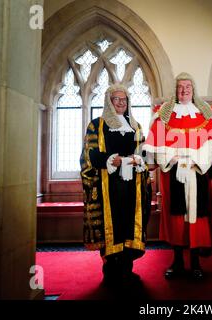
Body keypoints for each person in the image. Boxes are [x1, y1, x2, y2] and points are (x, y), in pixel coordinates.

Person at [143, 72, 212, 279]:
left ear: (193, 89)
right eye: (180, 87)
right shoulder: (163, 116)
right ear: (175, 91)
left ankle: (195, 262)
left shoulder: (206, 115)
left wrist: (195, 160)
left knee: (197, 219)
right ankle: (177, 261)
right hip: (174, 173)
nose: (184, 90)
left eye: (188, 87)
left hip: (198, 172)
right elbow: (156, 144)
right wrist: (175, 159)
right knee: (176, 218)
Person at [80, 84, 151, 286]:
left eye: (124, 99)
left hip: (132, 187)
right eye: (116, 99)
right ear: (109, 102)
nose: (121, 103)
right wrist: (112, 160)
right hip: (108, 187)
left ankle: (127, 268)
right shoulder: (97, 125)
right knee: (113, 226)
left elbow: (144, 152)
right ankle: (110, 269)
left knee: (129, 225)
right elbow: (89, 154)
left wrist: (139, 160)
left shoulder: (136, 126)